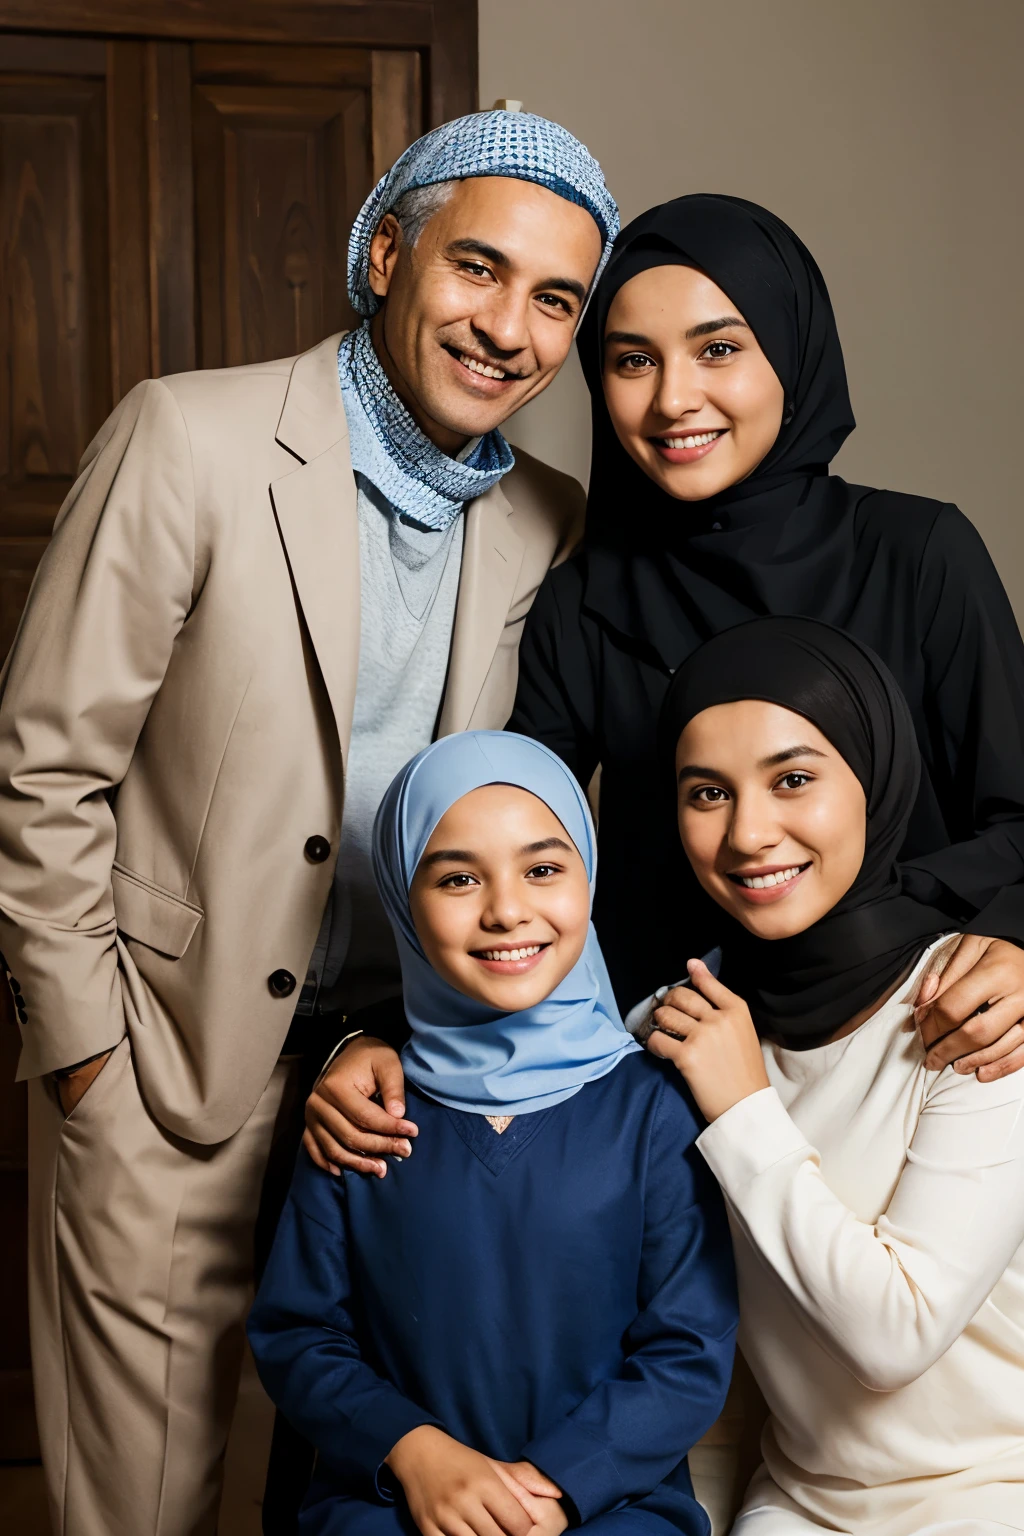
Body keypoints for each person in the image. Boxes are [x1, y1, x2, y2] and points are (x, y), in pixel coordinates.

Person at [0, 110, 618, 1536]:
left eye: (555, 300)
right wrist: (87, 1051)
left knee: (359, 1475)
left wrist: (405, 1040)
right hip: (165, 1062)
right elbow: (43, 766)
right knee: (145, 1502)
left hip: (398, 1075)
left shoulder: (549, 517)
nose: (508, 327)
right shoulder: (190, 435)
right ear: (387, 251)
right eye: (479, 268)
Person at [308, 193, 1024, 1178]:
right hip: (665, 1079)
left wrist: (1011, 941)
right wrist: (378, 1030)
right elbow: (501, 847)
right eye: (631, 360)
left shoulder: (917, 555)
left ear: (792, 351)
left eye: (718, 349)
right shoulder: (583, 600)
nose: (672, 399)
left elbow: (1018, 814)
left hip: (917, 1055)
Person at [248, 730, 738, 1536]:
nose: (507, 909)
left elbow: (688, 1350)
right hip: (391, 1500)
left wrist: (553, 1487)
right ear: (404, 901)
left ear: (588, 874)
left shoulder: (653, 1106)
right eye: (458, 878)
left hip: (609, 1504)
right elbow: (298, 1333)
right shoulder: (361, 1111)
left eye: (543, 869)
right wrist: (414, 1454)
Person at [642, 615, 1024, 1534]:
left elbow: (895, 1336)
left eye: (795, 780)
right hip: (802, 1498)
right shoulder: (682, 1020)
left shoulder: (979, 1007)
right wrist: (362, 1046)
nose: (749, 835)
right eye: (706, 794)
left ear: (875, 779)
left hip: (995, 1489)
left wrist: (742, 1108)